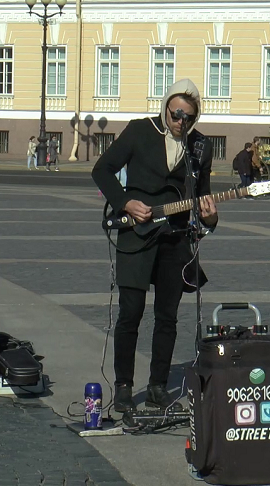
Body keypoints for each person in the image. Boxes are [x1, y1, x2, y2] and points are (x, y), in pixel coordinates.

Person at [92, 78, 218, 412]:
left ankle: (158, 386)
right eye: (176, 114)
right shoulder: (139, 131)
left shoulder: (200, 148)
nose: (180, 122)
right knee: (130, 314)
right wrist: (124, 202)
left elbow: (202, 197)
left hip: (175, 240)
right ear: (165, 108)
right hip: (136, 235)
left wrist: (210, 217)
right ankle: (123, 386)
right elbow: (101, 170)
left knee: (167, 318)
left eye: (188, 118)